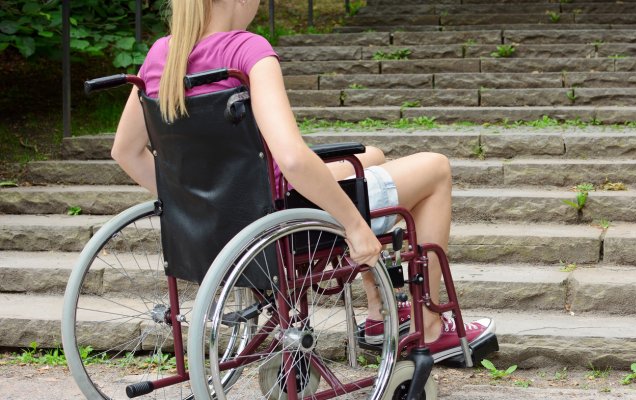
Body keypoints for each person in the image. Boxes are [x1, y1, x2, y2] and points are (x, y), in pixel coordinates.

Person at [110, 0, 493, 363]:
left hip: (231, 216)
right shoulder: (247, 50)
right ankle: (429, 325)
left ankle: (378, 310)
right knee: (435, 167)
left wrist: (199, 204)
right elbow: (292, 158)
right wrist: (355, 226)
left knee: (370, 156)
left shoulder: (161, 55)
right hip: (283, 214)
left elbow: (125, 152)